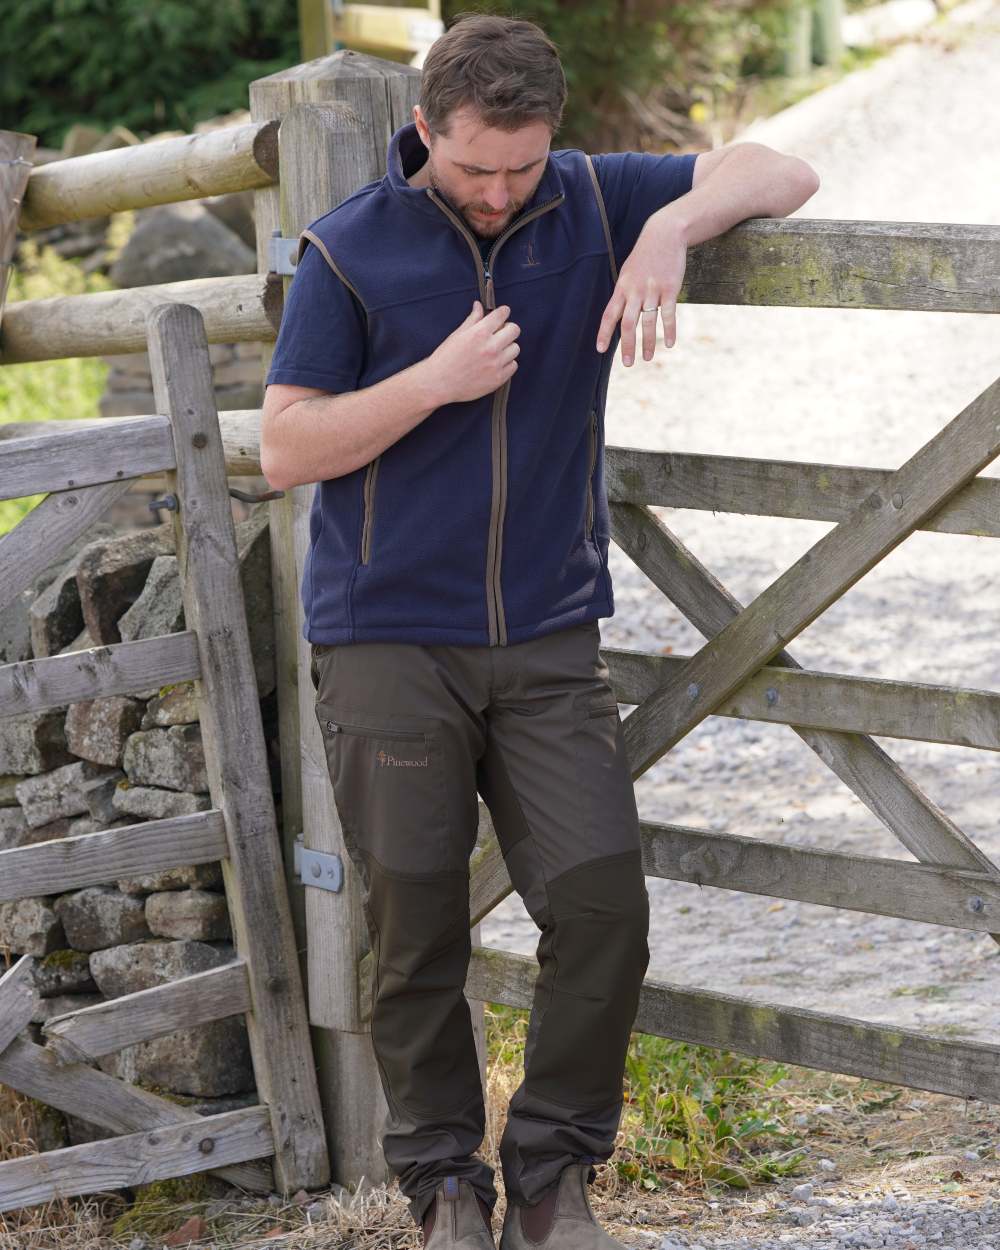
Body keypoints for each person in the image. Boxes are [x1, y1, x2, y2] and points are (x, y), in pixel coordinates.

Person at [261, 13, 819, 1249]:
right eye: (475, 170)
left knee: (603, 904)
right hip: (388, 638)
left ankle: (553, 1179)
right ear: (424, 132)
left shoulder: (585, 199)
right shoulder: (347, 254)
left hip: (551, 635)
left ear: (553, 141)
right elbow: (283, 445)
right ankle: (444, 1188)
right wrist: (433, 381)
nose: (503, 193)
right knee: (415, 929)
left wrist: (671, 224)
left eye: (523, 165)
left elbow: (781, 168)